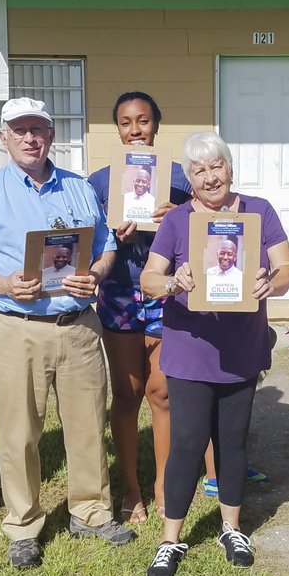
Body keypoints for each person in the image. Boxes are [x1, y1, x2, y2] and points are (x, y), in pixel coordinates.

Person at [0, 96, 134, 570]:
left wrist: (97, 272)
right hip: (16, 329)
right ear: (3, 136)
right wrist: (3, 283)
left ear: (50, 135)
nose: (30, 138)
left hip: (79, 328)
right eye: (20, 130)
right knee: (20, 434)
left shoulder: (78, 187)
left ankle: (90, 512)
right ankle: (24, 523)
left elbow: (106, 244)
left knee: (89, 427)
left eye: (38, 129)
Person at [138, 131, 289, 576]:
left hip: (241, 348)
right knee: (187, 443)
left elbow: (286, 267)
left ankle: (232, 528)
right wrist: (173, 282)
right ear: (189, 178)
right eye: (199, 170)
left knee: (233, 441)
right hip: (190, 348)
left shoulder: (258, 210)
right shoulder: (177, 221)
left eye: (217, 166)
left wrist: (274, 282)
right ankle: (171, 539)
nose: (210, 177)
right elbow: (150, 277)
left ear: (230, 168)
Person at [87, 91, 192, 525]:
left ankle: (163, 487)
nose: (135, 130)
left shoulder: (182, 181)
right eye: (126, 122)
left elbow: (203, 237)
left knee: (161, 393)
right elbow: (91, 242)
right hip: (119, 293)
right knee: (128, 394)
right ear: (117, 129)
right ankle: (131, 489)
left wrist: (180, 214)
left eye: (143, 121)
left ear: (156, 126)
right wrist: (115, 237)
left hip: (165, 295)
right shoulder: (97, 183)